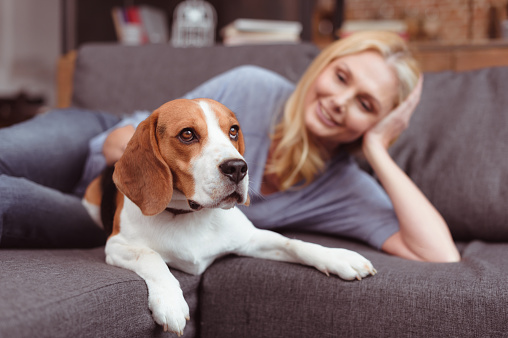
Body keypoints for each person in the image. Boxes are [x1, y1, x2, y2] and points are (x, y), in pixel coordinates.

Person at [0, 31, 460, 262]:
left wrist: (379, 148)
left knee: (10, 199)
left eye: (365, 104)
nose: (340, 103)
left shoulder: (343, 189)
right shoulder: (252, 87)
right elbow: (129, 139)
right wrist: (147, 157)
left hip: (107, 212)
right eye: (341, 77)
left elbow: (439, 254)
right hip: (99, 139)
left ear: (378, 120)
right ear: (323, 66)